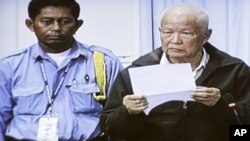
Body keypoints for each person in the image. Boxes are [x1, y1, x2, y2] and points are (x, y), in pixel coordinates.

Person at [100, 4, 250, 141]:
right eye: (168, 32)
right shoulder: (135, 72)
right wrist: (126, 112)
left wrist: (221, 105)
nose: (175, 40)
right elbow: (110, 131)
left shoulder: (234, 70)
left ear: (206, 36)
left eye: (186, 33)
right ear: (160, 32)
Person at [0, 0, 123, 140]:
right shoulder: (10, 65)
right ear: (30, 25)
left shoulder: (104, 62)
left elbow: (119, 117)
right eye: (47, 21)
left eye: (65, 21)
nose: (56, 28)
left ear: (77, 25)